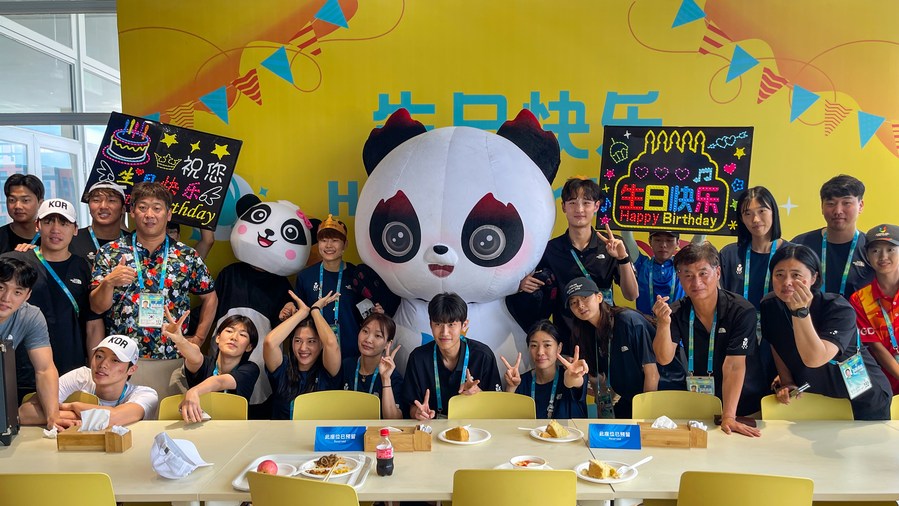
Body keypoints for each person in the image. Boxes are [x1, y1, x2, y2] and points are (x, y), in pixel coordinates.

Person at [90, 182, 217, 399]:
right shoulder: (110, 253)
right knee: (124, 417)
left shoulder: (187, 256)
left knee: (168, 416)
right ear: (132, 212)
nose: (149, 214)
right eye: (142, 207)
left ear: (168, 214)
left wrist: (198, 338)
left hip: (172, 358)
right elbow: (96, 307)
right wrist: (109, 282)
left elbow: (210, 297)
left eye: (157, 208)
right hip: (121, 360)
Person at [761, 244, 891, 420]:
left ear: (814, 277)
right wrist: (787, 381)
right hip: (816, 396)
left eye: (796, 275)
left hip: (861, 396)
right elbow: (776, 342)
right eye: (779, 275)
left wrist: (800, 312)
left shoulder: (838, 308)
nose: (787, 282)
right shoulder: (770, 305)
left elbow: (814, 358)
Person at [652, 242, 764, 437]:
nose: (696, 282)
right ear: (679, 277)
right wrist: (663, 324)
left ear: (717, 272)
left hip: (741, 406)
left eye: (703, 273)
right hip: (701, 404)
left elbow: (734, 366)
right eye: (688, 275)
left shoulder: (741, 311)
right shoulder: (677, 311)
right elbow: (663, 358)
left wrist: (729, 416)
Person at [516, 177, 638, 348]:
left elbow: (631, 295)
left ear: (596, 206)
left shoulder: (612, 245)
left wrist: (622, 258)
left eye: (586, 203)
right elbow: (534, 286)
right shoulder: (550, 249)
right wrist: (522, 285)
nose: (579, 209)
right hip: (567, 337)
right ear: (563, 207)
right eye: (572, 203)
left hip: (606, 334)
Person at [3, 199, 104, 400]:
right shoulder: (15, 262)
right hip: (19, 369)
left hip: (71, 370)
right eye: (48, 222)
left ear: (75, 229)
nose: (55, 229)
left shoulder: (84, 267)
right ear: (37, 225)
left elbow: (93, 323)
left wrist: (95, 366)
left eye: (64, 223)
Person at [719, 187, 791, 385]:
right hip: (738, 336)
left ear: (773, 212)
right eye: (747, 213)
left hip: (780, 338)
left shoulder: (792, 254)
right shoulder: (729, 254)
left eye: (761, 211)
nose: (755, 219)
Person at [564, 277, 660, 418]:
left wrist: (645, 417)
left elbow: (652, 374)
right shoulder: (587, 334)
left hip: (658, 396)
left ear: (599, 297)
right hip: (630, 398)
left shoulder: (628, 321)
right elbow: (597, 379)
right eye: (573, 302)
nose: (580, 305)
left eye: (584, 297)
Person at [18, 334, 158, 427]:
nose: (103, 364)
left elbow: (114, 418)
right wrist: (77, 414)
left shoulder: (146, 394)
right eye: (99, 356)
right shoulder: (80, 377)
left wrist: (73, 406)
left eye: (115, 360)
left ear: (131, 369)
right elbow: (24, 413)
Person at [402, 292, 502, 420]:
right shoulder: (418, 358)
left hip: (473, 427)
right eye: (438, 324)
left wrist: (478, 393)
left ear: (464, 325)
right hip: (432, 426)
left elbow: (496, 407)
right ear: (430, 325)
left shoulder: (483, 356)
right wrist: (418, 412)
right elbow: (410, 406)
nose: (444, 332)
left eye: (451, 324)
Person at [163, 312, 260, 424]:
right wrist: (180, 340)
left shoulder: (250, 369)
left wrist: (194, 391)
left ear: (249, 347)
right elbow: (194, 355)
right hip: (197, 426)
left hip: (234, 428)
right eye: (229, 331)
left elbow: (220, 382)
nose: (234, 337)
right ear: (218, 338)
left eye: (242, 335)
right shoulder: (205, 363)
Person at [0, 256, 61, 429]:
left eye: (17, 292)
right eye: (0, 288)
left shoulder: (30, 316)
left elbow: (45, 369)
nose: (6, 298)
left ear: (27, 296)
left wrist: (53, 416)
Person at [264, 290, 341, 419]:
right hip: (282, 431)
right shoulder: (283, 367)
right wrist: (302, 312)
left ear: (321, 344)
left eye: (311, 341)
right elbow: (269, 343)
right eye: (298, 341)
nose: (303, 348)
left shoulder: (327, 370)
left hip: (315, 432)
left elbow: (331, 343)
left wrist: (315, 310)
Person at [792, 175, 873, 298]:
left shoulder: (871, 248)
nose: (838, 211)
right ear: (822, 206)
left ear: (860, 206)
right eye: (831, 203)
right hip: (807, 311)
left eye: (846, 203)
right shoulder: (800, 244)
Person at [293, 214, 361, 360]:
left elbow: (365, 315)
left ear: (345, 244)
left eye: (335, 240)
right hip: (313, 354)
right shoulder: (305, 276)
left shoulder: (356, 275)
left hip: (350, 354)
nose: (329, 245)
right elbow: (299, 316)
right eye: (323, 240)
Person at [502, 319, 588, 419]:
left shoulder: (571, 374)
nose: (540, 352)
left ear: (559, 348)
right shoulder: (520, 381)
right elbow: (507, 418)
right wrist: (511, 388)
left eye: (547, 345)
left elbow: (573, 381)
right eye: (534, 345)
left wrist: (573, 378)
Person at [850, 224, 899, 395]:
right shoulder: (859, 299)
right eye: (875, 250)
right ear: (867, 256)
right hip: (884, 386)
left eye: (890, 249)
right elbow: (876, 348)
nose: (883, 256)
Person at [623, 230, 705, 315]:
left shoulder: (683, 265)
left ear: (677, 243)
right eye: (658, 240)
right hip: (645, 321)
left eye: (669, 240)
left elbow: (700, 236)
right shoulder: (642, 264)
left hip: (675, 322)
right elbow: (626, 234)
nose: (663, 245)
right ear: (650, 242)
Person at [339, 312, 404, 419]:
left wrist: (386, 380)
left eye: (378, 336)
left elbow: (393, 420)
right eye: (365, 331)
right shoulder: (346, 366)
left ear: (388, 344)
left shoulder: (393, 377)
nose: (368, 340)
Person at [69, 182, 129, 264]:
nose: (103, 206)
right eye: (96, 200)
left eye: (111, 200)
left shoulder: (133, 242)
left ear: (123, 209)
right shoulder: (72, 240)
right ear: (89, 206)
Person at [0, 174, 44, 253]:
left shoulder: (51, 238)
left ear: (40, 203)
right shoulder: (2, 237)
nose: (18, 206)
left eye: (25, 200)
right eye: (12, 200)